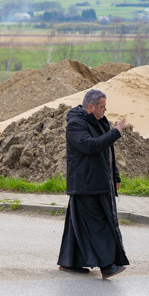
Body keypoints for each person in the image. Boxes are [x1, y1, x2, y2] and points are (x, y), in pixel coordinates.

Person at [57, 89, 130, 279]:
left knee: (77, 223)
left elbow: (106, 153)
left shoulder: (98, 122)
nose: (105, 109)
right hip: (85, 185)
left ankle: (69, 262)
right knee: (98, 225)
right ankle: (107, 266)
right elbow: (91, 146)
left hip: (99, 182)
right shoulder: (75, 125)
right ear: (91, 107)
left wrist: (115, 176)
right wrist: (115, 133)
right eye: (102, 106)